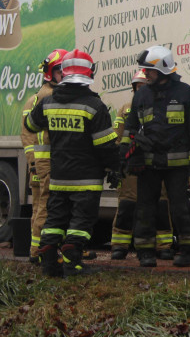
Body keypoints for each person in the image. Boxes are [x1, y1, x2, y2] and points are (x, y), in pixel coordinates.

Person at [24, 50, 120, 277]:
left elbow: (30, 125)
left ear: (64, 73)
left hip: (58, 177)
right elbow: (105, 145)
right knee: (81, 221)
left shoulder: (47, 103)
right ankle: (72, 262)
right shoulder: (94, 106)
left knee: (55, 219)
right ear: (90, 73)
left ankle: (49, 263)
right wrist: (114, 167)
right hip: (86, 179)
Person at [121, 45, 190, 268]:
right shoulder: (142, 95)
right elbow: (130, 129)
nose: (145, 74)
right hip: (148, 164)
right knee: (145, 208)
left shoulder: (185, 93)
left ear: (163, 70)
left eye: (149, 70)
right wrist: (125, 156)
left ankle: (189, 251)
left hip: (177, 165)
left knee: (180, 207)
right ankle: (145, 253)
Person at [110, 69, 173, 261]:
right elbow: (118, 138)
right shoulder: (126, 109)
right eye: (138, 86)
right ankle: (119, 245)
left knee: (161, 205)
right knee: (127, 204)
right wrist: (118, 163)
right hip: (132, 164)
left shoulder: (164, 107)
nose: (141, 90)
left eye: (145, 86)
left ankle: (164, 246)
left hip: (157, 163)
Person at [20, 48, 67, 261]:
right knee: (46, 207)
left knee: (42, 207)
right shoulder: (48, 96)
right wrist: (34, 163)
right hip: (46, 163)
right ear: (50, 73)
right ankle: (38, 252)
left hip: (42, 163)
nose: (65, 74)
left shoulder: (40, 96)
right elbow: (28, 135)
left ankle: (39, 250)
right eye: (60, 71)